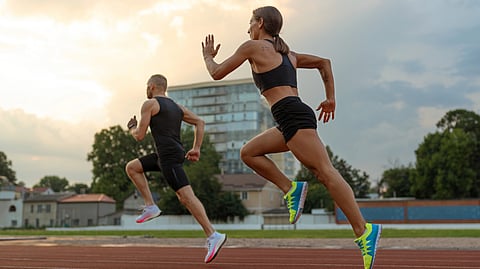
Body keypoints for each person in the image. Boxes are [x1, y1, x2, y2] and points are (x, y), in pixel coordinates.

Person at [201, 6, 381, 269]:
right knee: (248, 153)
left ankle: (364, 231)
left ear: (260, 23)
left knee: (326, 173)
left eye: (250, 23)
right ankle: (291, 188)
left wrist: (207, 56)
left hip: (292, 115)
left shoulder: (252, 47)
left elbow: (216, 72)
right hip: (289, 118)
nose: (248, 28)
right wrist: (330, 97)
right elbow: (324, 63)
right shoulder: (289, 55)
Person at [125, 74, 227, 263]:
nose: (146, 90)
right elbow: (200, 122)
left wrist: (132, 127)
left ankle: (213, 235)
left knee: (186, 197)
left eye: (147, 87)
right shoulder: (177, 107)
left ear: (153, 86)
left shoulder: (149, 104)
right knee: (132, 167)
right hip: (166, 155)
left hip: (169, 157)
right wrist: (196, 148)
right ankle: (151, 206)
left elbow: (139, 135)